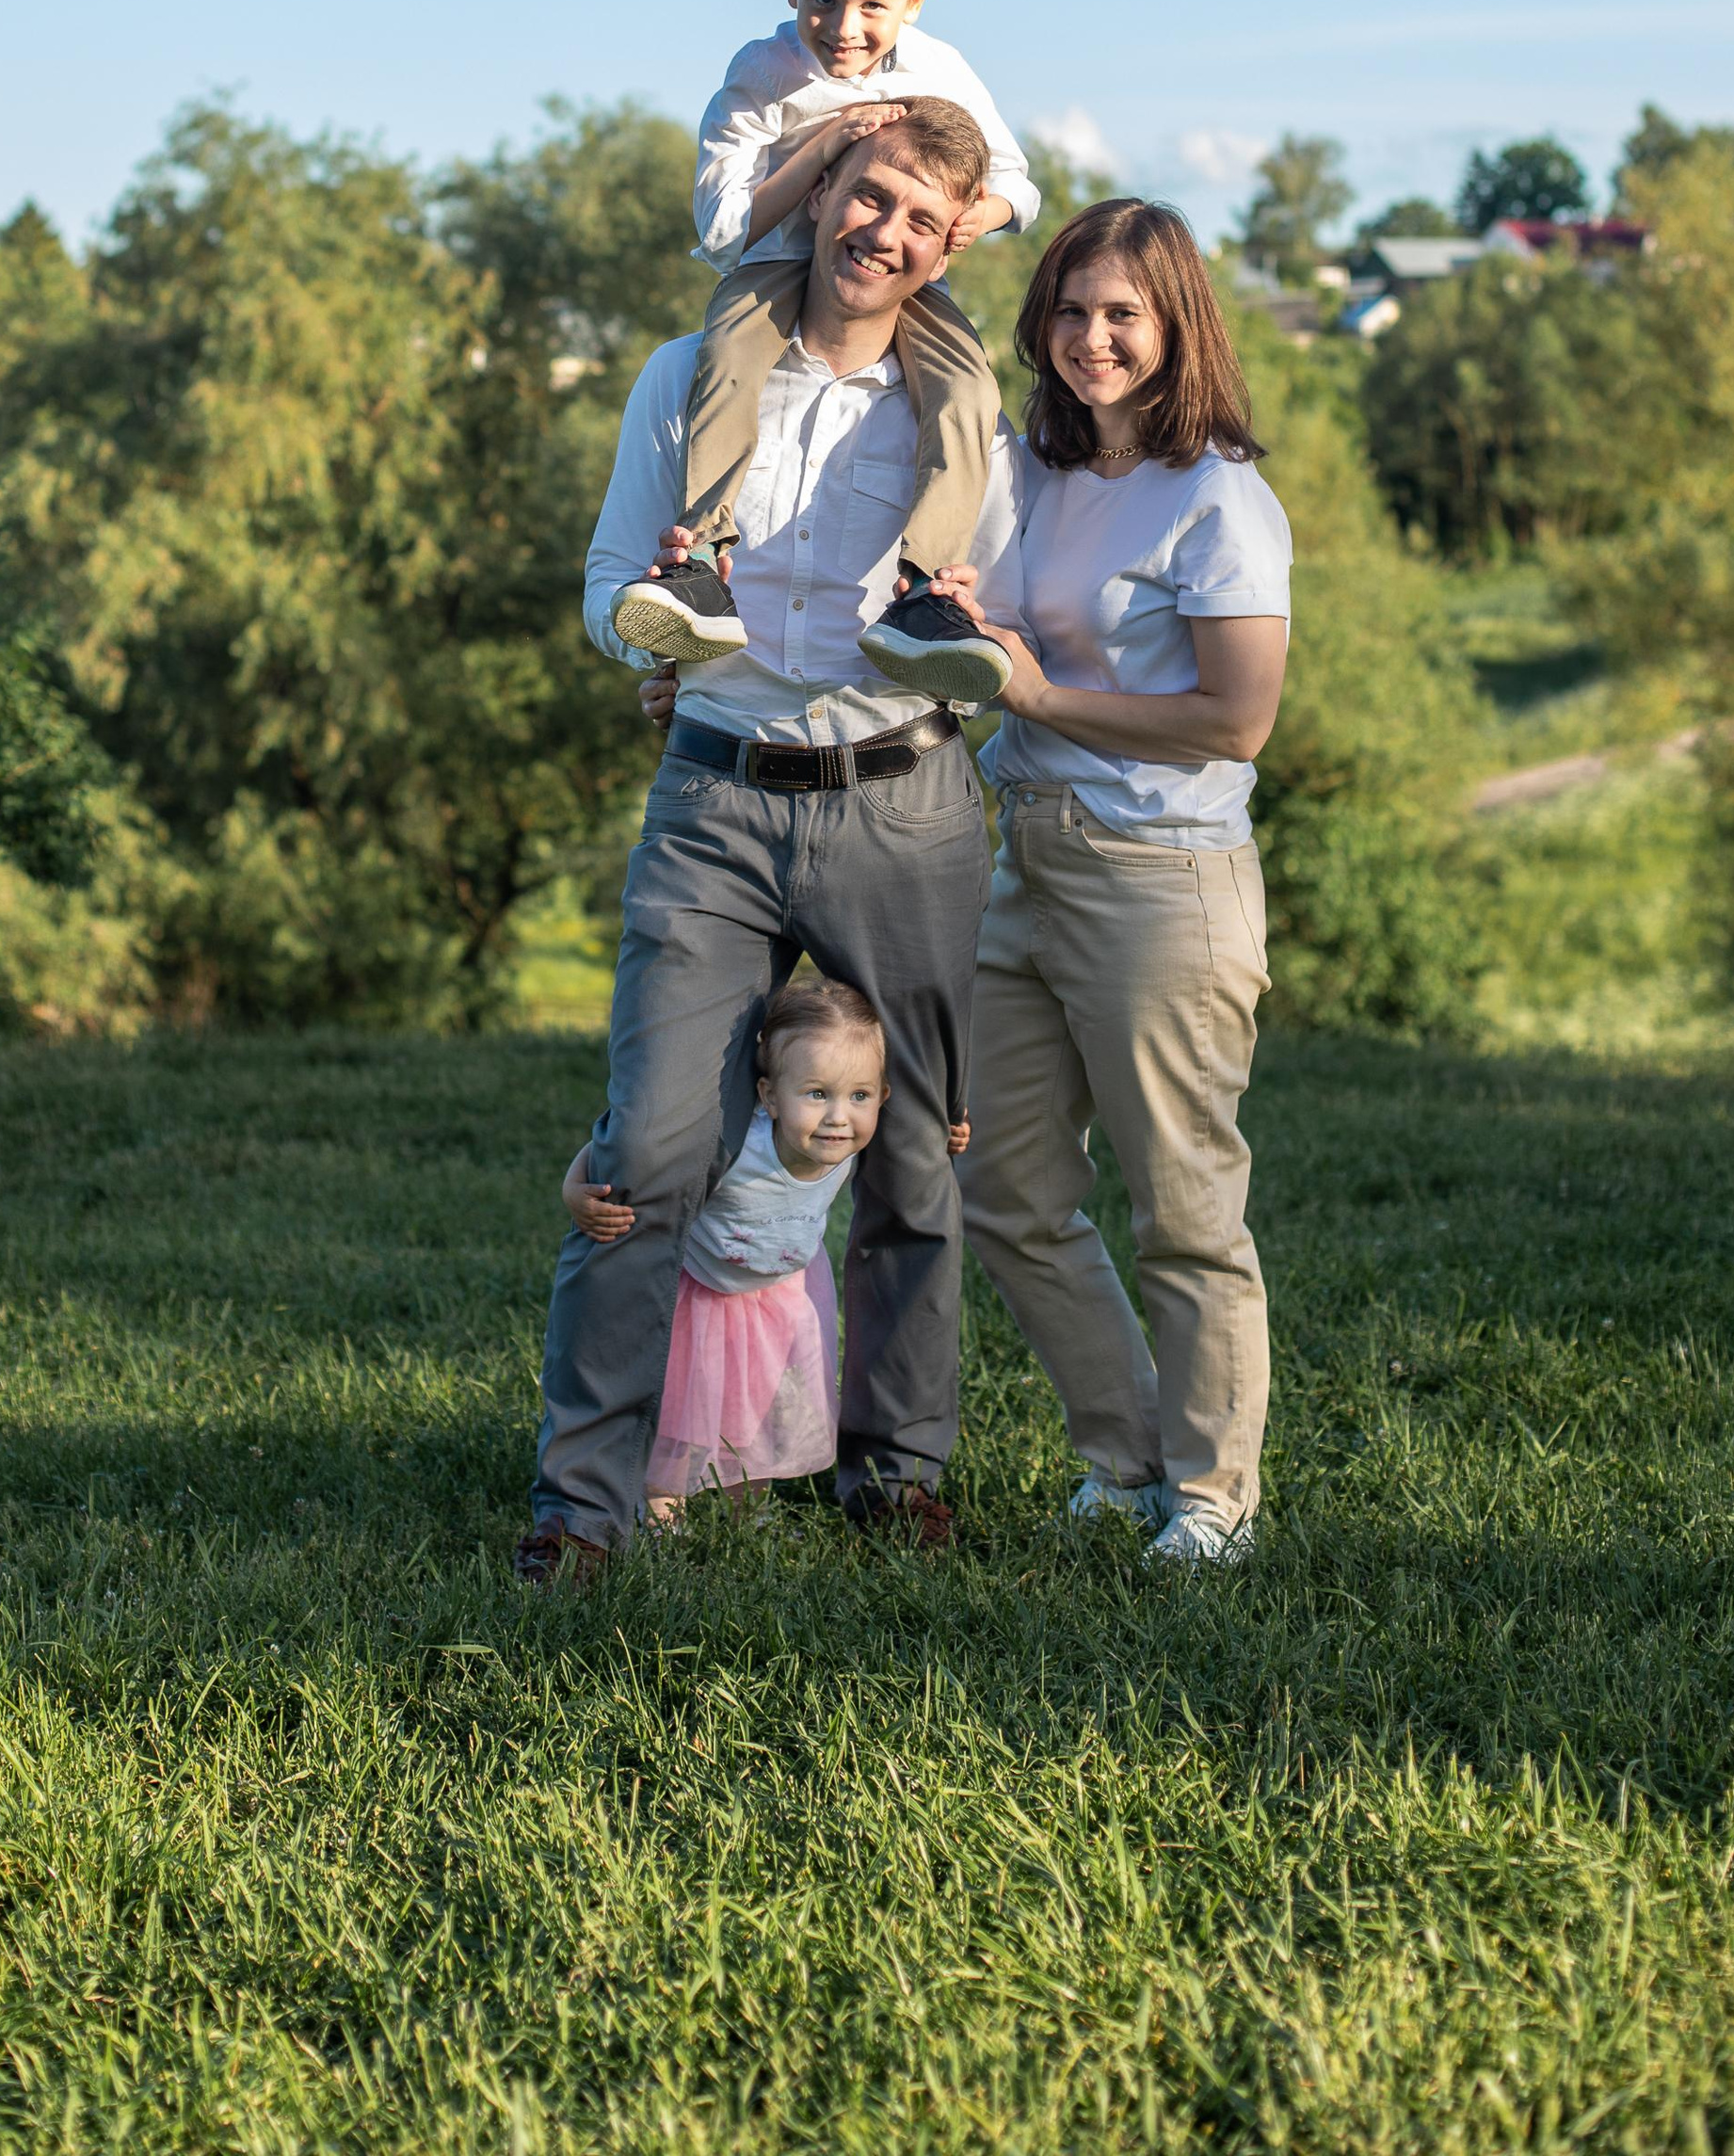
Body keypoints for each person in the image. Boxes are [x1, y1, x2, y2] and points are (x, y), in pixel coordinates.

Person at [515, 95, 1018, 1585]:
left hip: (907, 804)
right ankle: (584, 1506)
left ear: (943, 250)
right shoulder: (689, 376)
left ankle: (897, 1471)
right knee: (650, 1152)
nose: (885, 235)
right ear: (821, 197)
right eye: (870, 199)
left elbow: (1007, 612)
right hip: (720, 799)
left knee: (916, 1153)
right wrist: (648, 635)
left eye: (923, 222)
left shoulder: (960, 413)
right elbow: (611, 585)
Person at [941, 199, 1291, 1565]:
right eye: (1074, 310)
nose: (1093, 338)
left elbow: (1235, 720)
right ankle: (1125, 1456)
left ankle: (1215, 1500)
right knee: (1009, 1189)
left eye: (1124, 315)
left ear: (1174, 326)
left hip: (1160, 878)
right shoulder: (1025, 472)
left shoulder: (1218, 496)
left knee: (1184, 1208)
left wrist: (1042, 692)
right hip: (1017, 856)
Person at [604, 0, 1035, 714]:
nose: (844, 27)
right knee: (726, 367)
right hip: (775, 264)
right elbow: (722, 227)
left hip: (899, 286)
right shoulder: (762, 72)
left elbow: (1019, 183)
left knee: (967, 390)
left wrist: (969, 220)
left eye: (872, 5)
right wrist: (826, 144)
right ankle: (698, 566)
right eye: (823, 0)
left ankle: (925, 594)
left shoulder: (941, 69)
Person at [561, 977, 971, 1524]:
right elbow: (622, 1138)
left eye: (859, 1096)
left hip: (780, 1295)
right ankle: (662, 1506)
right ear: (769, 1095)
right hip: (702, 1294)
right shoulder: (740, 1141)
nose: (838, 1117)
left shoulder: (858, 1135)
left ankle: (742, 1510)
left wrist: (947, 1131)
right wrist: (574, 1188)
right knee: (686, 1413)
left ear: (882, 1096)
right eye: (817, 1093)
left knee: (756, 1407)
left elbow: (922, 1134)